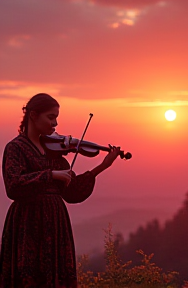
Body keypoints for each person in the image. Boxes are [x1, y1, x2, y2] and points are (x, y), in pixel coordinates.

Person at [0, 93, 120, 288]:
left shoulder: (54, 154)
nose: (55, 123)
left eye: (56, 118)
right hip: (26, 224)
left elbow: (72, 193)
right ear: (33, 115)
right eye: (50, 117)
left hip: (56, 224)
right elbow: (13, 185)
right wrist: (50, 175)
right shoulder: (15, 148)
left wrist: (102, 166)